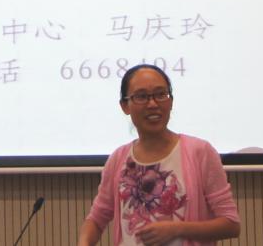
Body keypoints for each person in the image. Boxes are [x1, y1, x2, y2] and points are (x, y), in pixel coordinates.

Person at [77, 64, 240, 246]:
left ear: (171, 101)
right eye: (141, 97)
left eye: (161, 94)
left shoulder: (200, 152)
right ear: (125, 106)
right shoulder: (118, 159)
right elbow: (96, 219)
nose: (153, 104)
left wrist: (178, 229)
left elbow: (231, 224)